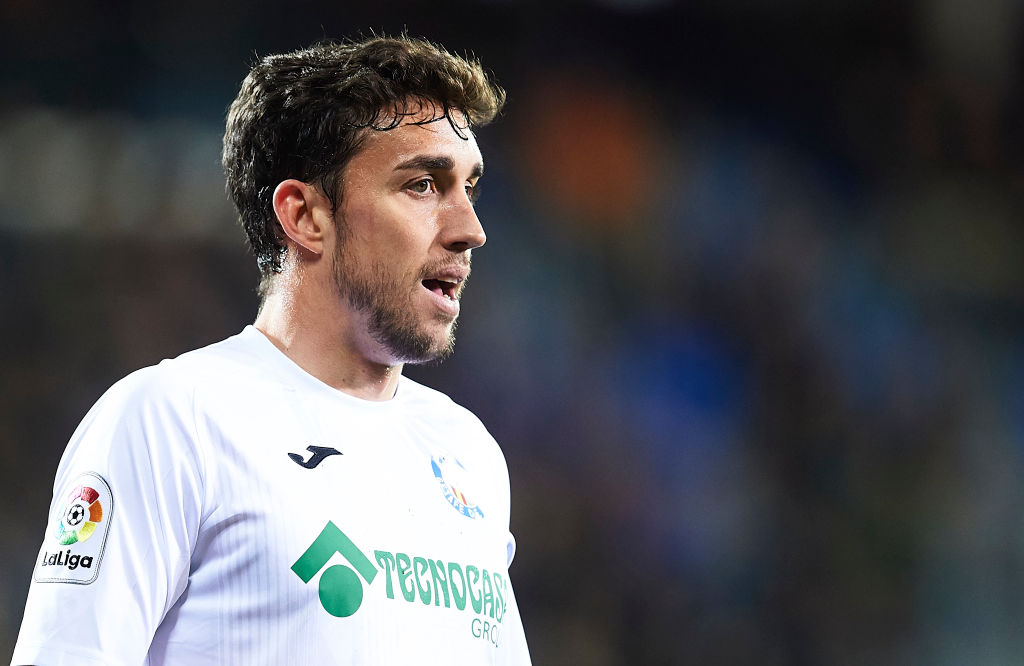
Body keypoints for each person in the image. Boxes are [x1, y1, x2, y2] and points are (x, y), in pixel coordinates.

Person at [12, 35, 531, 665]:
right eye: (423, 185)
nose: (470, 229)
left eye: (469, 188)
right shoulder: (173, 419)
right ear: (305, 215)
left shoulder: (468, 452)